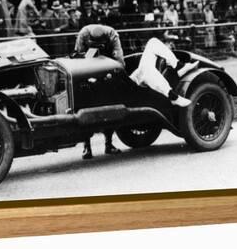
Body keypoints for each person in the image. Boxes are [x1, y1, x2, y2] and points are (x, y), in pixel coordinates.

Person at [75, 24, 198, 159]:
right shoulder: (83, 35)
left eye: (101, 45)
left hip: (121, 81)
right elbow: (77, 60)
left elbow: (120, 65)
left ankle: (176, 73)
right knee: (90, 94)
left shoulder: (112, 35)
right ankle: (87, 146)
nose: (98, 47)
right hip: (107, 80)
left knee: (152, 43)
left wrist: (105, 68)